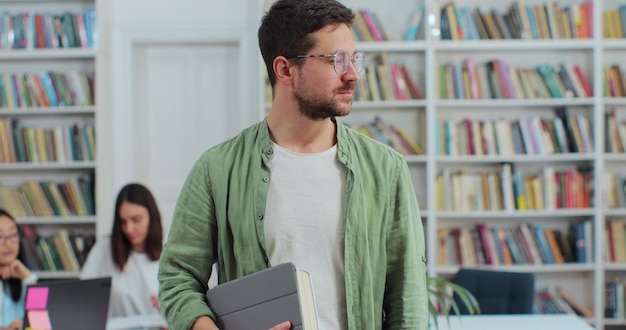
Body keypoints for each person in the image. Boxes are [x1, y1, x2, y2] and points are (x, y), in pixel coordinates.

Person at [158, 0, 428, 329]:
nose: (354, 74)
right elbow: (178, 278)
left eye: (355, 59)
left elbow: (407, 299)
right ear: (285, 70)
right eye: (336, 60)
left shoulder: (386, 169)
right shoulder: (217, 169)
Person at [81, 183, 164, 320]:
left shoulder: (168, 256)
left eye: (136, 220)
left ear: (152, 217)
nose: (129, 229)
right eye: (123, 222)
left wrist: (168, 308)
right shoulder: (105, 248)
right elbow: (82, 293)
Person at [0, 209, 37, 330]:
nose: (9, 244)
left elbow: (39, 317)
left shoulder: (21, 277)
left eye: (13, 235)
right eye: (0, 237)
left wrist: (28, 278)